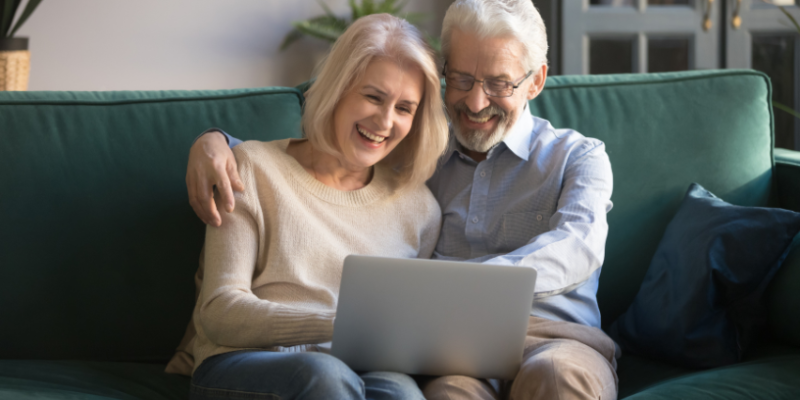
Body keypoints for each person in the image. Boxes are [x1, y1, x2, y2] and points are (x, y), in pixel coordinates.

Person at [186, 1, 619, 399]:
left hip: (555, 339)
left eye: (499, 83)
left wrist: (472, 290)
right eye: (462, 79)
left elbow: (579, 246)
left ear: (536, 81)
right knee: (443, 394)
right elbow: (304, 171)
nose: (475, 100)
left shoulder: (577, 158)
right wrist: (215, 141)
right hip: (455, 349)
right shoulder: (423, 164)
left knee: (556, 378)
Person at [185, 13, 449, 400]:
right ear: (339, 89)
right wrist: (337, 324)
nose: (385, 120)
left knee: (401, 394)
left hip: (356, 368)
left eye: (404, 108)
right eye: (373, 96)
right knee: (324, 376)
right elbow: (219, 310)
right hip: (241, 363)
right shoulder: (251, 168)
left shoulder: (420, 209)